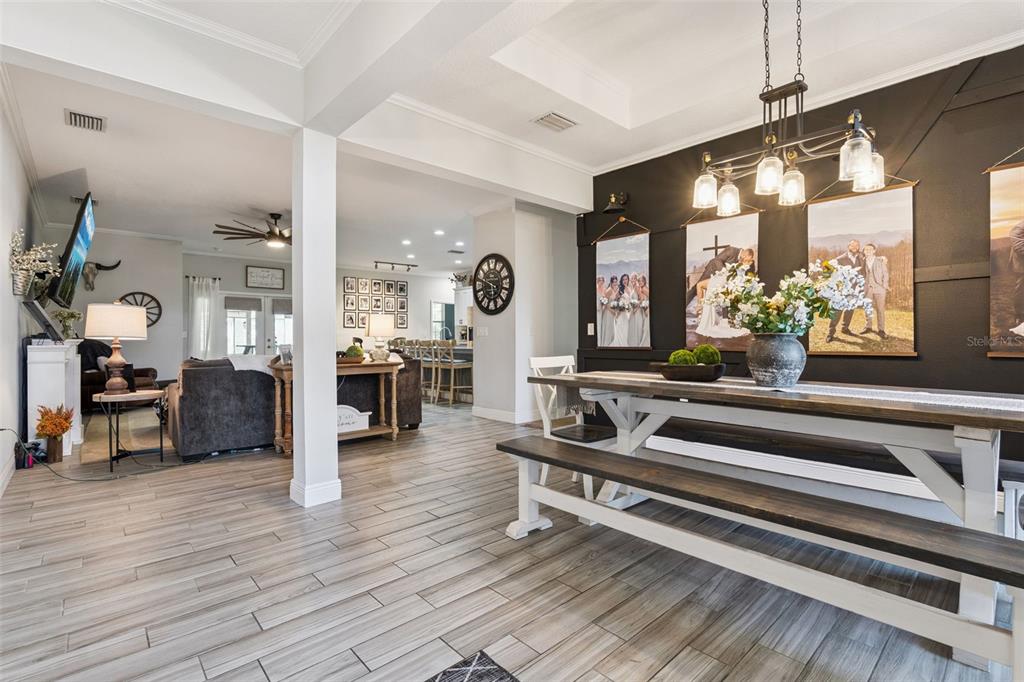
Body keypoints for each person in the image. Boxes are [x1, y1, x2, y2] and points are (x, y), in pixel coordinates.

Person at [826, 239, 864, 343]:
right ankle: (830, 333)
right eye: (853, 245)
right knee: (837, 312)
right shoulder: (840, 259)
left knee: (850, 310)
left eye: (857, 245)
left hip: (854, 290)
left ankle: (845, 328)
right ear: (848, 246)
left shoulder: (860, 258)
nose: (855, 247)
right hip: (842, 291)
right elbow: (830, 270)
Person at [859, 243, 889, 339]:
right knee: (868, 308)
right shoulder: (862, 261)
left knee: (880, 310)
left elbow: (886, 274)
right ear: (864, 251)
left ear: (874, 251)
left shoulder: (880, 260)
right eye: (866, 250)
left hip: (879, 288)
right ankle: (868, 327)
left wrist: (884, 286)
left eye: (870, 249)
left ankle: (881, 330)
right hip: (867, 289)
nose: (868, 251)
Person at [1010, 219, 1024, 333]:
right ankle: (1019, 317)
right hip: (1022, 266)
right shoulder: (1019, 227)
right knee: (1021, 291)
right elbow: (1019, 245)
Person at [612, 273, 631, 346]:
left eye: (626, 279)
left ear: (628, 280)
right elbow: (615, 299)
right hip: (620, 313)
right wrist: (618, 307)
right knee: (619, 328)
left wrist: (627, 307)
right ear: (621, 280)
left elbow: (629, 301)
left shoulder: (629, 289)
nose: (625, 281)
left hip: (626, 313)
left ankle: (624, 344)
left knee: (625, 329)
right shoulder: (620, 289)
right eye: (623, 279)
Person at [600, 276, 617, 346]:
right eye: (614, 282)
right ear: (611, 282)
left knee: (611, 330)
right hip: (608, 313)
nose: (615, 283)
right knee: (608, 329)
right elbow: (605, 303)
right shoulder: (609, 290)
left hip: (612, 313)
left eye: (616, 281)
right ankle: (605, 345)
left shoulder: (613, 290)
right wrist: (612, 311)